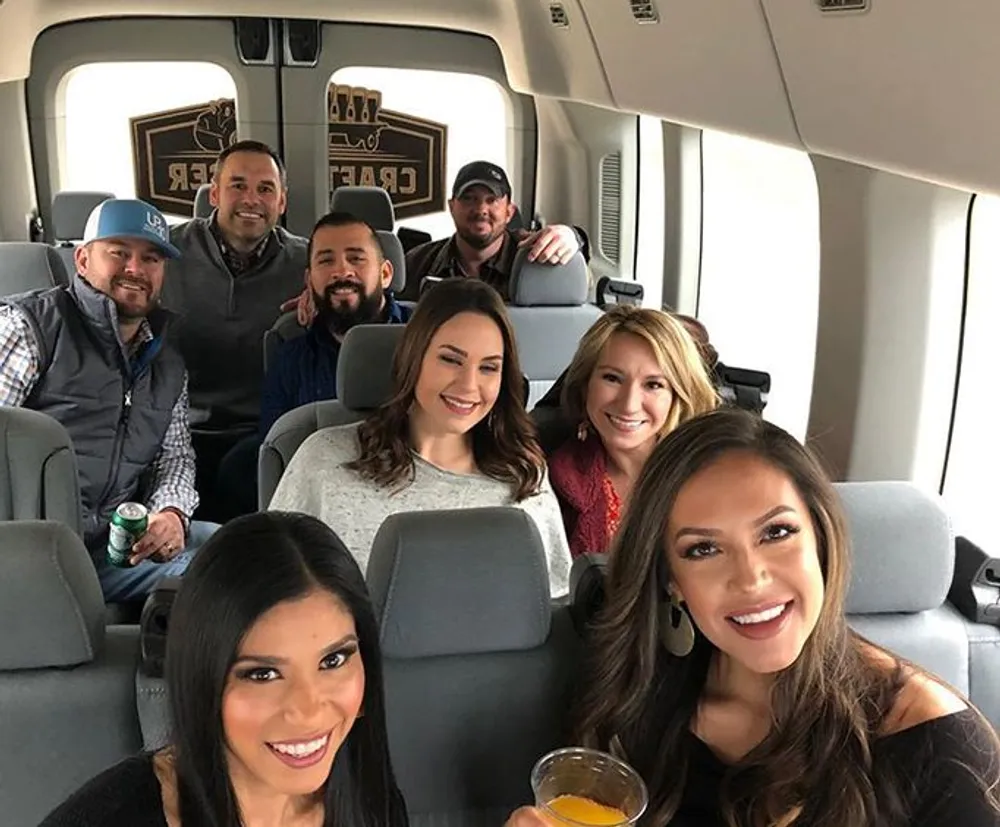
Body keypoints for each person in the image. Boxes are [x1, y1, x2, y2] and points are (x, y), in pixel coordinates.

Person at [508, 409, 1000, 827]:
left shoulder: (940, 749)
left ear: (822, 541)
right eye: (703, 549)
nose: (750, 579)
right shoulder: (636, 696)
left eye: (776, 533)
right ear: (671, 579)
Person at [40, 510, 408, 827]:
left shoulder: (370, 797)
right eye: (262, 674)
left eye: (333, 660)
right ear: (203, 680)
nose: (308, 710)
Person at [269, 278, 572, 596]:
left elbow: (551, 608)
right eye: (450, 359)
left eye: (488, 368)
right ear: (414, 358)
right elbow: (266, 586)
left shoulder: (523, 475)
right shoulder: (325, 460)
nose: (469, 386)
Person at [0, 197, 216, 602]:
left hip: (114, 545)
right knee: (218, 581)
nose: (135, 269)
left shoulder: (166, 362)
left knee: (239, 550)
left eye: (151, 258)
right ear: (82, 259)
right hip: (33, 554)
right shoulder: (29, 328)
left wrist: (171, 513)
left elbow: (176, 458)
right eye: (119, 252)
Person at [212, 211, 413, 521]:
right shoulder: (291, 357)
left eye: (356, 258)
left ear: (386, 273)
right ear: (309, 280)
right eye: (326, 261)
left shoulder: (428, 341)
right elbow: (278, 454)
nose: (341, 271)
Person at [163, 140, 308, 519]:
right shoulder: (164, 253)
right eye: (238, 185)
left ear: (282, 202)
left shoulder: (309, 265)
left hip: (261, 434)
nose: (251, 199)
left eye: (265, 189)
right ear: (214, 193)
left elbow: (366, 304)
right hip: (177, 428)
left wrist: (326, 303)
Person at [547, 307, 718, 557]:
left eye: (653, 385)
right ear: (585, 386)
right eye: (612, 378)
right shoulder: (553, 480)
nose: (629, 404)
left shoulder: (714, 476)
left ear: (678, 396)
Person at [399, 160, 584, 302]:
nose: (481, 209)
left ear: (509, 212)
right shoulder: (416, 263)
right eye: (469, 198)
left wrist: (573, 237)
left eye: (492, 199)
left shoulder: (535, 259)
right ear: (451, 207)